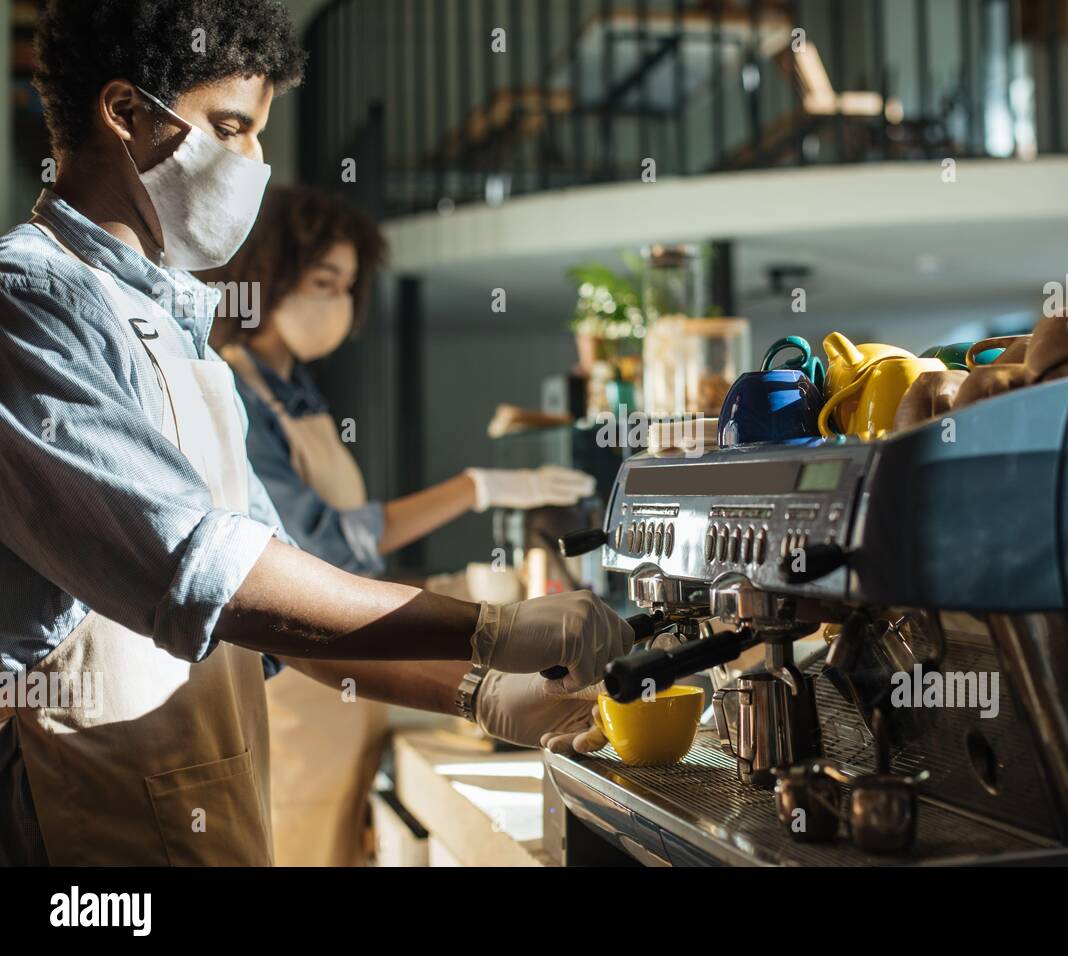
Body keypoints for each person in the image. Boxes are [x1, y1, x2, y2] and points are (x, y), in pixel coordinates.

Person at [0, 0, 620, 867]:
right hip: (82, 831)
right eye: (229, 127)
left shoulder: (185, 338)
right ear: (125, 111)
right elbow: (205, 569)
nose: (253, 161)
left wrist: (480, 693)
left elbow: (285, 609)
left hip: (201, 813)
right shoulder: (30, 303)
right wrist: (489, 626)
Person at [202, 186, 597, 866]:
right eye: (324, 281)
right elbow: (319, 542)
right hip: (298, 684)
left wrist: (451, 594)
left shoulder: (299, 391)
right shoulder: (236, 389)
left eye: (350, 287)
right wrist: (475, 489)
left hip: (355, 687)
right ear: (268, 273)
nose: (340, 303)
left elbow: (349, 566)